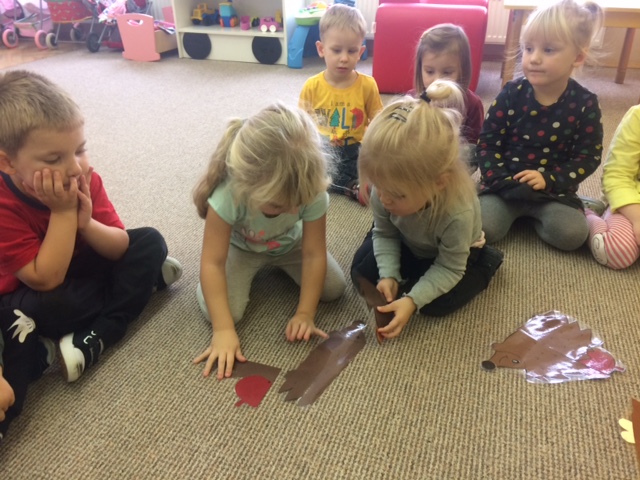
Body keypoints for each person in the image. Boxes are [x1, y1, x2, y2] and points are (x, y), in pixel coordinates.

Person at [0, 70, 182, 393]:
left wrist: (86, 224)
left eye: (79, 150)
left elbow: (120, 246)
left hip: (82, 265)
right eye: (54, 159)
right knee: (59, 306)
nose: (74, 167)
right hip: (36, 288)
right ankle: (133, 293)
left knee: (149, 241)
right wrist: (63, 212)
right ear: (8, 163)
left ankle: (99, 332)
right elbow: (45, 278)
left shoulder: (82, 179)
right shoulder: (4, 204)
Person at [192, 103, 347, 380]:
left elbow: (314, 253)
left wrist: (305, 313)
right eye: (278, 205)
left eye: (298, 202)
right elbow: (212, 262)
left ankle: (278, 269)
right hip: (241, 249)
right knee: (228, 313)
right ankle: (209, 292)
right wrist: (223, 330)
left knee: (333, 288)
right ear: (247, 184)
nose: (293, 211)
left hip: (291, 245)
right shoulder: (227, 195)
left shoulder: (308, 186)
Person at [350, 80, 504, 340]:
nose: (383, 198)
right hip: (407, 238)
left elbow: (450, 267)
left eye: (397, 194)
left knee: (436, 304)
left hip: (454, 254)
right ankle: (409, 273)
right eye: (378, 186)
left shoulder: (457, 213)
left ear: (438, 182)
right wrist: (388, 274)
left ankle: (487, 262)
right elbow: (384, 233)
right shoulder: (386, 188)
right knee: (361, 270)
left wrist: (413, 300)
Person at [476, 0, 604, 251]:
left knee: (572, 236)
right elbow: (487, 144)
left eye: (548, 50)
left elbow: (588, 157)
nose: (534, 58)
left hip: (553, 192)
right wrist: (500, 179)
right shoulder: (511, 93)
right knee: (483, 228)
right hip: (504, 187)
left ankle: (576, 207)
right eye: (528, 48)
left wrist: (551, 178)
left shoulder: (585, 103)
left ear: (578, 57)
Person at [299, 3, 384, 204]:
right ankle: (350, 187)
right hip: (324, 149)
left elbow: (379, 121)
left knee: (379, 163)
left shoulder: (367, 85)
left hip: (356, 147)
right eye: (336, 50)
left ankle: (362, 181)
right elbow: (301, 124)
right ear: (321, 49)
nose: (344, 58)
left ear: (361, 51)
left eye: (352, 51)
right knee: (312, 169)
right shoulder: (312, 86)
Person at [414, 23, 484, 172]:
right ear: (420, 68)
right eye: (429, 71)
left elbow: (473, 146)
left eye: (447, 73)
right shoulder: (413, 99)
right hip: (418, 162)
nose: (437, 80)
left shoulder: (472, 103)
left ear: (462, 70)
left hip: (452, 166)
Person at [586, 105, 640, 269]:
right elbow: (617, 175)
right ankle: (585, 212)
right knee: (615, 251)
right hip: (632, 201)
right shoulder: (638, 116)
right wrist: (637, 219)